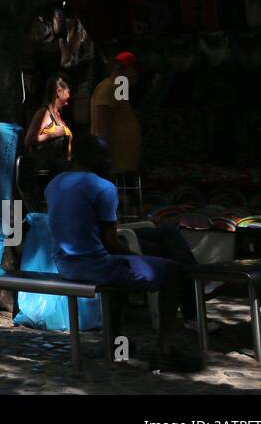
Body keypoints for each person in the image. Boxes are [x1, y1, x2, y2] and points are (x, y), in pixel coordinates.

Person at [45, 136, 200, 372]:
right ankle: (164, 350)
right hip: (95, 266)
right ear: (95, 158)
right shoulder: (103, 187)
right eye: (106, 156)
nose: (110, 161)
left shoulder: (54, 183)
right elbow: (110, 242)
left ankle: (115, 340)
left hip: (65, 264)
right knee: (172, 270)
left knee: (148, 252)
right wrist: (135, 256)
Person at [91, 51, 141, 173]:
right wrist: (104, 161)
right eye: (134, 70)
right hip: (115, 167)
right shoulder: (108, 87)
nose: (137, 75)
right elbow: (101, 128)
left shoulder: (120, 91)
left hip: (125, 165)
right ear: (124, 69)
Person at [23, 75, 73, 167]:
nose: (69, 96)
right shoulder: (44, 113)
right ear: (58, 92)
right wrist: (52, 134)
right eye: (68, 92)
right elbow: (28, 140)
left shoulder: (58, 115)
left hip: (61, 169)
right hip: (47, 171)